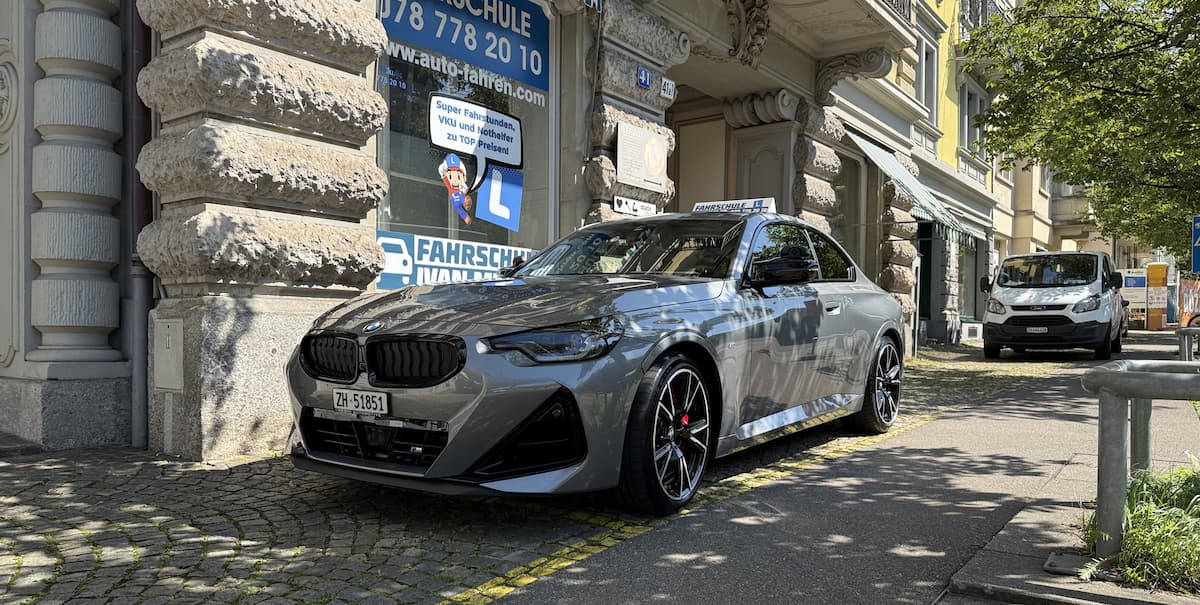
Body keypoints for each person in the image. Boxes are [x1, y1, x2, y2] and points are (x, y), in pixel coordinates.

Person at [439, 153, 472, 225]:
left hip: (454, 191)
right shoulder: (463, 190)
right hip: (459, 189)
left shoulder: (456, 203)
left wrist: (466, 218)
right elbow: (467, 218)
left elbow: (467, 219)